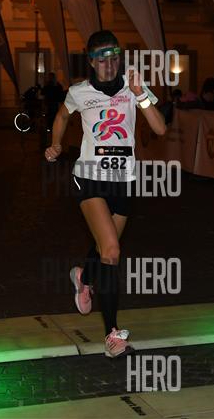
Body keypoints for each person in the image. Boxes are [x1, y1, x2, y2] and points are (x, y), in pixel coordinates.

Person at [44, 30, 167, 358]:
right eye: (102, 59)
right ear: (91, 62)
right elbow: (62, 115)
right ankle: (112, 335)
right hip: (90, 179)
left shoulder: (132, 85)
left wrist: (140, 95)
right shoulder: (79, 92)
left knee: (103, 247)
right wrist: (56, 143)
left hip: (123, 181)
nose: (109, 65)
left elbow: (160, 128)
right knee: (111, 251)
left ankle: (83, 275)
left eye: (114, 57)